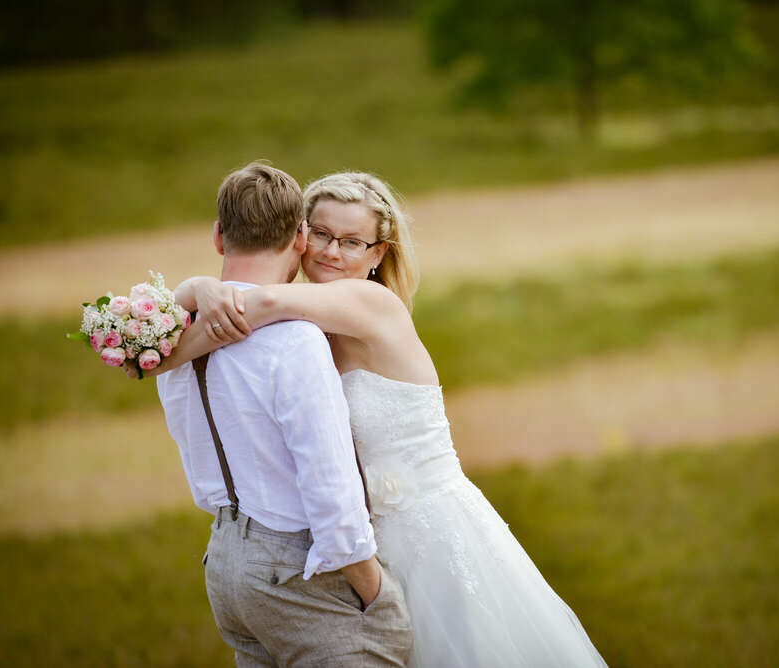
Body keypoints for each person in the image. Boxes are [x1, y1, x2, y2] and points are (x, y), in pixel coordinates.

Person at [154, 171, 606, 666]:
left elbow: (255, 300)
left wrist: (191, 306)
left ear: (378, 254)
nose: (331, 252)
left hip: (429, 534)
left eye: (352, 242)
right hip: (358, 544)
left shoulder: (373, 304)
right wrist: (196, 294)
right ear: (301, 235)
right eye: (322, 234)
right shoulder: (305, 328)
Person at [152, 163, 412, 667]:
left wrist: (197, 288)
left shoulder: (174, 338)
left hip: (225, 559)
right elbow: (329, 483)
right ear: (300, 238)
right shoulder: (296, 340)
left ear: (218, 235)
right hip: (298, 568)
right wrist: (374, 592)